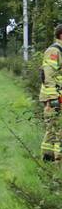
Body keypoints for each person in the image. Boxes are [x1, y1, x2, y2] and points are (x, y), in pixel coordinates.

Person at [38, 24, 62, 162]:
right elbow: (48, 75)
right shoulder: (54, 51)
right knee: (57, 127)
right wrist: (54, 99)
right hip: (54, 97)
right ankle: (56, 160)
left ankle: (48, 157)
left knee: (53, 128)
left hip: (57, 96)